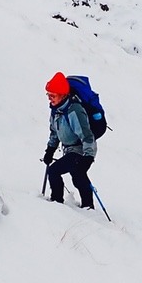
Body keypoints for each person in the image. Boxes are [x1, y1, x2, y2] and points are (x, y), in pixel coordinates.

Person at [42, 72, 97, 209]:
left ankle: (57, 204)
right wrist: (50, 150)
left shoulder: (74, 110)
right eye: (48, 95)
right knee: (78, 176)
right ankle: (88, 206)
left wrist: (89, 156)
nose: (50, 99)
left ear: (62, 94)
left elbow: (87, 135)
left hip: (79, 151)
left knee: (54, 171)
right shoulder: (56, 110)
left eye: (52, 95)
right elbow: (55, 132)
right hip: (69, 150)